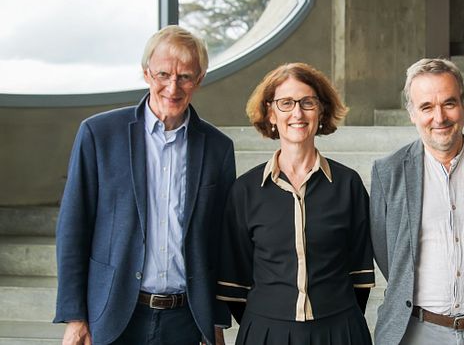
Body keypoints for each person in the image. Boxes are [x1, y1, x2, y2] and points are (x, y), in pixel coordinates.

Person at [54, 25, 236, 345]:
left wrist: (216, 322)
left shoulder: (218, 148)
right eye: (163, 74)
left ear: (200, 79)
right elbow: (73, 228)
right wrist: (75, 317)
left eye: (185, 77)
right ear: (146, 73)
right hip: (113, 317)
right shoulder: (99, 135)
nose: (172, 87)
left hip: (186, 320)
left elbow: (221, 241)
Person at [216, 63, 374, 345]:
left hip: (340, 331)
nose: (297, 113)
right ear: (270, 113)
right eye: (286, 103)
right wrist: (271, 319)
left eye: (307, 102)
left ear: (321, 111)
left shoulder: (348, 185)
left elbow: (359, 277)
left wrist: (333, 317)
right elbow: (234, 283)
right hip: (265, 334)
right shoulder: (245, 191)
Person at [369, 58, 464, 345]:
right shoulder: (387, 172)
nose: (439, 117)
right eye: (426, 107)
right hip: (417, 333)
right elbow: (387, 252)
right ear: (412, 113)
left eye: (449, 103)